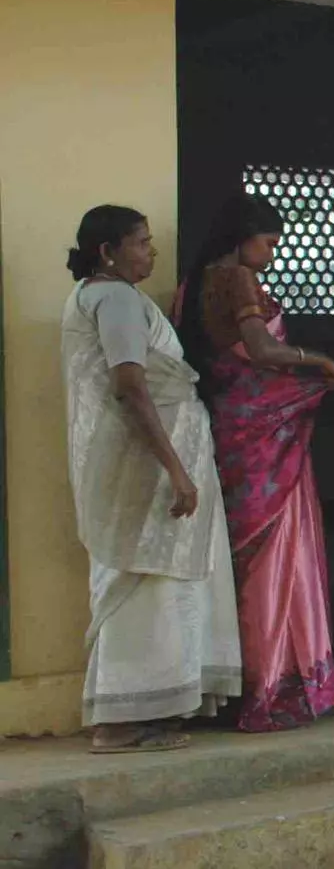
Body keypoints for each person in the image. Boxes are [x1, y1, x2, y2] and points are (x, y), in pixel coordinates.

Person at [62, 205, 241, 753]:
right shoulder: (112, 297)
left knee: (165, 584)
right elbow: (130, 385)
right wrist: (175, 467)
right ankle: (119, 720)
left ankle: (157, 706)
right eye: (140, 243)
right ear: (107, 252)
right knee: (143, 583)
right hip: (146, 467)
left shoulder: (110, 296)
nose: (151, 252)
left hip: (157, 460)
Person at [173, 194, 334, 731]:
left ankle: (245, 680)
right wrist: (319, 363)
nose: (272, 253)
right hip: (264, 433)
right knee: (273, 556)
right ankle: (272, 685)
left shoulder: (191, 285)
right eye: (270, 242)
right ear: (244, 237)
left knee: (245, 559)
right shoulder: (237, 279)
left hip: (232, 428)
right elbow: (264, 354)